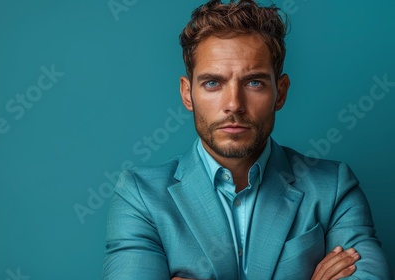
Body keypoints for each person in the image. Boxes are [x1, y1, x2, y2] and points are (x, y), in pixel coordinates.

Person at [103, 0, 393, 279]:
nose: (233, 104)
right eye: (213, 83)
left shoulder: (334, 188)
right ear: (187, 93)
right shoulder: (140, 195)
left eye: (254, 82)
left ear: (280, 92)